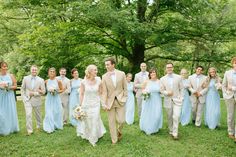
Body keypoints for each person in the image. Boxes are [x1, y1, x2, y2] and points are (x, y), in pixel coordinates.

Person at [76, 65, 106, 146]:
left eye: (96, 70)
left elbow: (101, 92)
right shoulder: (83, 82)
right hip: (86, 104)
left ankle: (93, 139)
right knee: (88, 121)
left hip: (96, 103)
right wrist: (80, 105)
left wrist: (103, 103)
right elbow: (81, 94)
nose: (96, 72)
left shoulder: (99, 80)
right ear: (89, 72)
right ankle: (88, 134)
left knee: (95, 119)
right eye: (94, 70)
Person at [101, 58, 127, 144]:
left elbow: (125, 87)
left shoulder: (122, 74)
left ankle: (119, 130)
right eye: (105, 65)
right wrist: (104, 103)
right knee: (111, 122)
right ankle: (114, 140)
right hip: (110, 102)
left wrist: (125, 97)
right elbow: (104, 91)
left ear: (113, 64)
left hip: (120, 100)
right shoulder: (104, 76)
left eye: (108, 64)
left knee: (121, 120)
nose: (106, 66)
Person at [160, 63, 184, 140]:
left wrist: (181, 97)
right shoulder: (162, 79)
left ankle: (175, 133)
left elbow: (182, 89)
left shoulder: (179, 77)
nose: (169, 69)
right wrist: (167, 93)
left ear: (173, 68)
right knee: (169, 116)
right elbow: (161, 90)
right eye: (167, 67)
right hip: (167, 100)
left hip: (177, 100)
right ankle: (171, 130)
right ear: (166, 69)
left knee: (176, 116)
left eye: (170, 67)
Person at [21, 65, 46, 135]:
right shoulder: (25, 78)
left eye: (35, 70)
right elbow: (22, 89)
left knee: (38, 115)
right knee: (28, 115)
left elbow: (43, 91)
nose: (34, 71)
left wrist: (34, 93)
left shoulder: (41, 80)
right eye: (33, 70)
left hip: (37, 100)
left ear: (37, 71)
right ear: (30, 70)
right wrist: (24, 98)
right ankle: (30, 130)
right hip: (27, 100)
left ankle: (39, 126)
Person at [140, 68, 162, 135]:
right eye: (151, 72)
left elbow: (161, 90)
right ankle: (148, 128)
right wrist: (145, 93)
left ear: (156, 73)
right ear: (149, 74)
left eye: (154, 72)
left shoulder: (159, 81)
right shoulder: (147, 81)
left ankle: (155, 127)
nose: (153, 73)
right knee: (148, 114)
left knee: (157, 114)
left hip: (157, 99)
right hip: (148, 100)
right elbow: (142, 89)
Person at [0, 61, 19, 136]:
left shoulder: (11, 76)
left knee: (10, 111)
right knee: (1, 112)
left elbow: (15, 86)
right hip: (1, 96)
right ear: (0, 68)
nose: (5, 68)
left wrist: (8, 87)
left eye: (6, 66)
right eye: (3, 66)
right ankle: (2, 129)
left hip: (9, 96)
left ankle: (11, 128)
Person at [43, 67, 64, 133]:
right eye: (50, 71)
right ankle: (49, 127)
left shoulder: (58, 81)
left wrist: (56, 91)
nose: (52, 73)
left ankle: (56, 125)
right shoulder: (46, 81)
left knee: (56, 112)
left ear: (55, 73)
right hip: (49, 99)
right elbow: (43, 91)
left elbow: (62, 89)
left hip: (56, 98)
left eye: (53, 71)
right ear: (48, 73)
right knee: (49, 113)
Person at [222, 57, 236, 141]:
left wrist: (233, 88)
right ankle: (230, 132)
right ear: (233, 63)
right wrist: (225, 94)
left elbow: (231, 87)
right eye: (235, 62)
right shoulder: (227, 73)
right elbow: (224, 85)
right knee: (230, 115)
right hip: (229, 97)